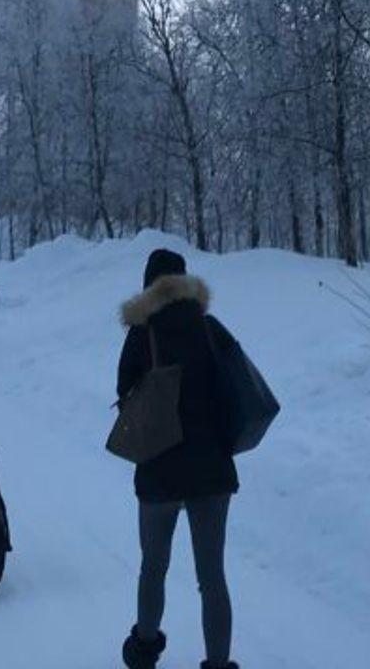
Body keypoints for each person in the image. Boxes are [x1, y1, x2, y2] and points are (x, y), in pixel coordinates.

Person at [117, 248, 243, 669]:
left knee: (153, 566)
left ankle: (144, 650)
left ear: (150, 285)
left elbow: (125, 398)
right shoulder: (211, 330)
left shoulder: (142, 335)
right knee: (212, 577)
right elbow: (236, 391)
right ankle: (219, 662)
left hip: (159, 468)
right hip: (212, 470)